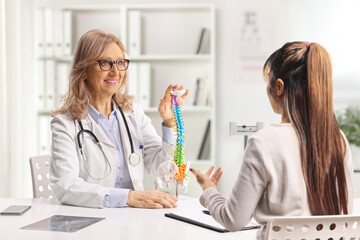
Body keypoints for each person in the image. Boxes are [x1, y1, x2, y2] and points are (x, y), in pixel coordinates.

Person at [190, 41, 354, 239]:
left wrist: (209, 191)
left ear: (278, 87)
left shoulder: (263, 142)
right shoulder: (338, 139)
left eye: (268, 83)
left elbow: (233, 219)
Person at [50, 29, 188, 209]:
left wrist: (170, 122)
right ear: (84, 71)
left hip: (135, 216)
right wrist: (128, 197)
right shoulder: (65, 123)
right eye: (105, 63)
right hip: (92, 218)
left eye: (120, 62)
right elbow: (65, 185)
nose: (115, 72)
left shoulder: (132, 112)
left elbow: (160, 166)